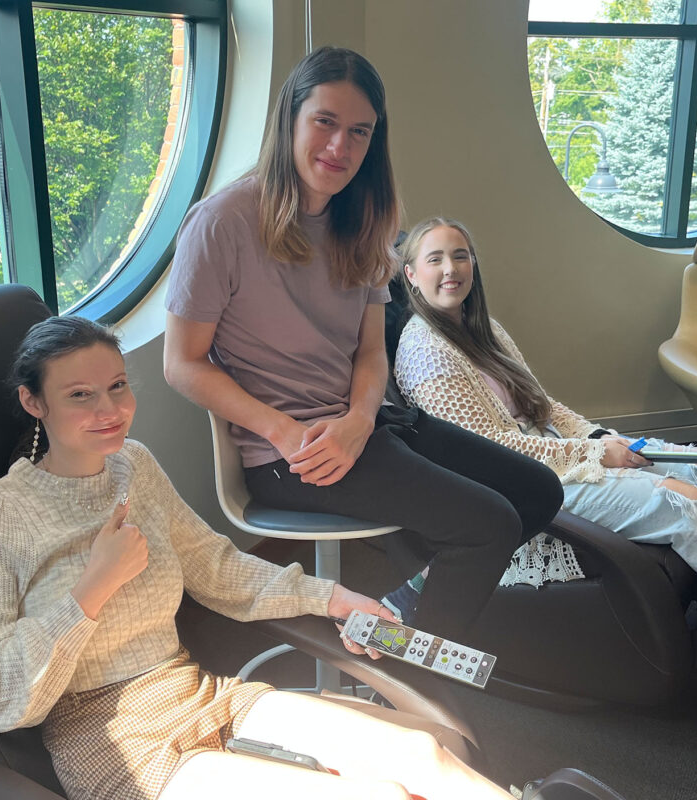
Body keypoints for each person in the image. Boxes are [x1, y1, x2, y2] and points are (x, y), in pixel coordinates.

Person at [0, 315, 519, 800]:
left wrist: (331, 596)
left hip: (201, 694)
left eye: (118, 386)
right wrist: (92, 587)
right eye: (80, 395)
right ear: (33, 402)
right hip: (112, 744)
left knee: (421, 759)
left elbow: (214, 565)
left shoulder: (133, 467)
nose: (110, 410)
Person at [163, 46, 563, 640]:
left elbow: (371, 353)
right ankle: (409, 681)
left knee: (537, 490)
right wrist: (282, 429)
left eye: (359, 132)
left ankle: (397, 615)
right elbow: (182, 364)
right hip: (290, 455)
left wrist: (358, 417)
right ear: (290, 120)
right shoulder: (222, 222)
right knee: (488, 525)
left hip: (368, 425)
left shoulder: (368, 221)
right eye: (325, 122)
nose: (339, 148)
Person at [393, 216, 697, 599]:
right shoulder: (425, 351)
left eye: (460, 256)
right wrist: (595, 453)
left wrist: (601, 437)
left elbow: (543, 406)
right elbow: (490, 451)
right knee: (682, 500)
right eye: (435, 259)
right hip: (525, 482)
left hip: (563, 451)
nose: (450, 269)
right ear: (411, 274)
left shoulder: (487, 330)